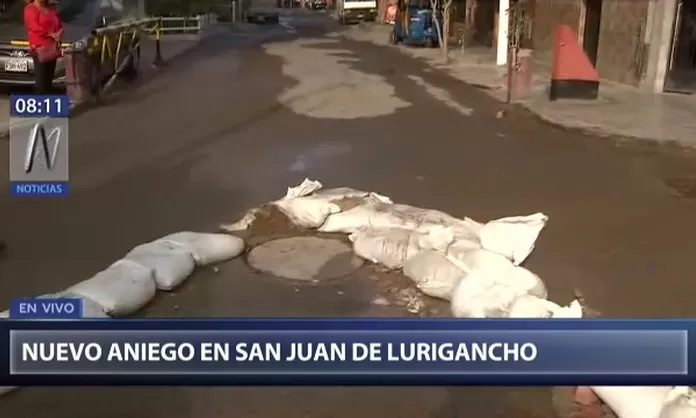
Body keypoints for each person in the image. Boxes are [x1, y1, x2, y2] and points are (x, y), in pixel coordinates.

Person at [23, 0, 63, 94]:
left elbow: (58, 22)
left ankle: (46, 104)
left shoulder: (51, 8)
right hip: (39, 48)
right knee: (41, 81)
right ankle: (39, 104)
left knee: (48, 80)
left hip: (52, 48)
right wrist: (51, 34)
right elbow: (34, 27)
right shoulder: (30, 9)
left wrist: (59, 32)